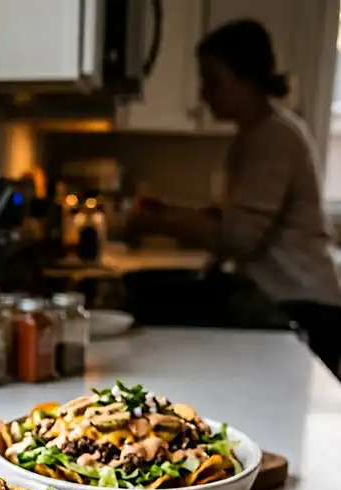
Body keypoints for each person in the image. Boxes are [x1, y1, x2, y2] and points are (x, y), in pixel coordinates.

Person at [128, 18, 341, 375]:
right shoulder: (259, 133)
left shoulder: (273, 138)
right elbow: (235, 217)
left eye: (213, 80)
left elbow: (239, 237)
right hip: (293, 300)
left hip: (303, 304)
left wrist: (159, 223)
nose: (203, 93)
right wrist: (171, 211)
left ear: (247, 78)